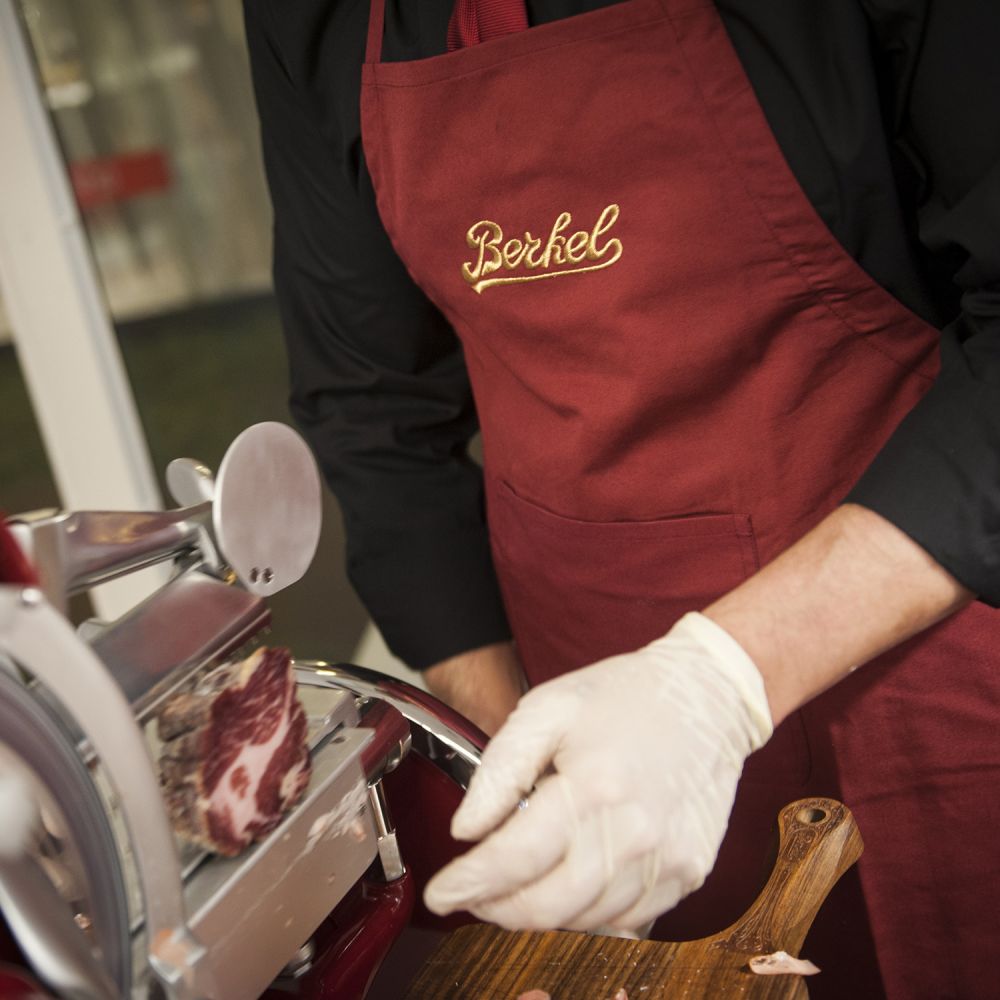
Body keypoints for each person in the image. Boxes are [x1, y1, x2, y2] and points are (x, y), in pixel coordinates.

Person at [243, 1, 1000, 996]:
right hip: (596, 709)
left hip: (932, 647)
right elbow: (371, 412)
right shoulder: (314, 19)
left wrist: (713, 686)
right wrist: (515, 775)